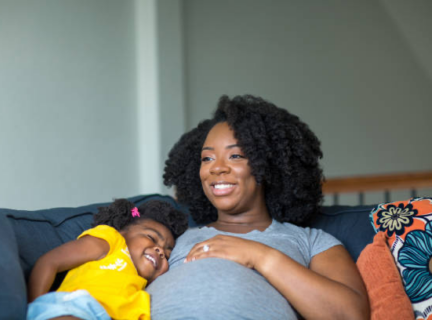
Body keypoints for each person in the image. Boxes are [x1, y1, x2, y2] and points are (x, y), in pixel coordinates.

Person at [146, 95, 370, 319]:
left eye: (235, 156)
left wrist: (260, 256)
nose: (217, 168)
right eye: (207, 159)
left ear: (267, 165)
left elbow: (350, 315)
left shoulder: (312, 242)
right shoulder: (171, 236)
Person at [27, 198, 188, 320]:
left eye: (167, 255)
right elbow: (49, 262)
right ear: (122, 231)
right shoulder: (112, 241)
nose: (160, 250)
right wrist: (36, 307)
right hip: (75, 308)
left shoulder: (141, 293)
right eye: (151, 237)